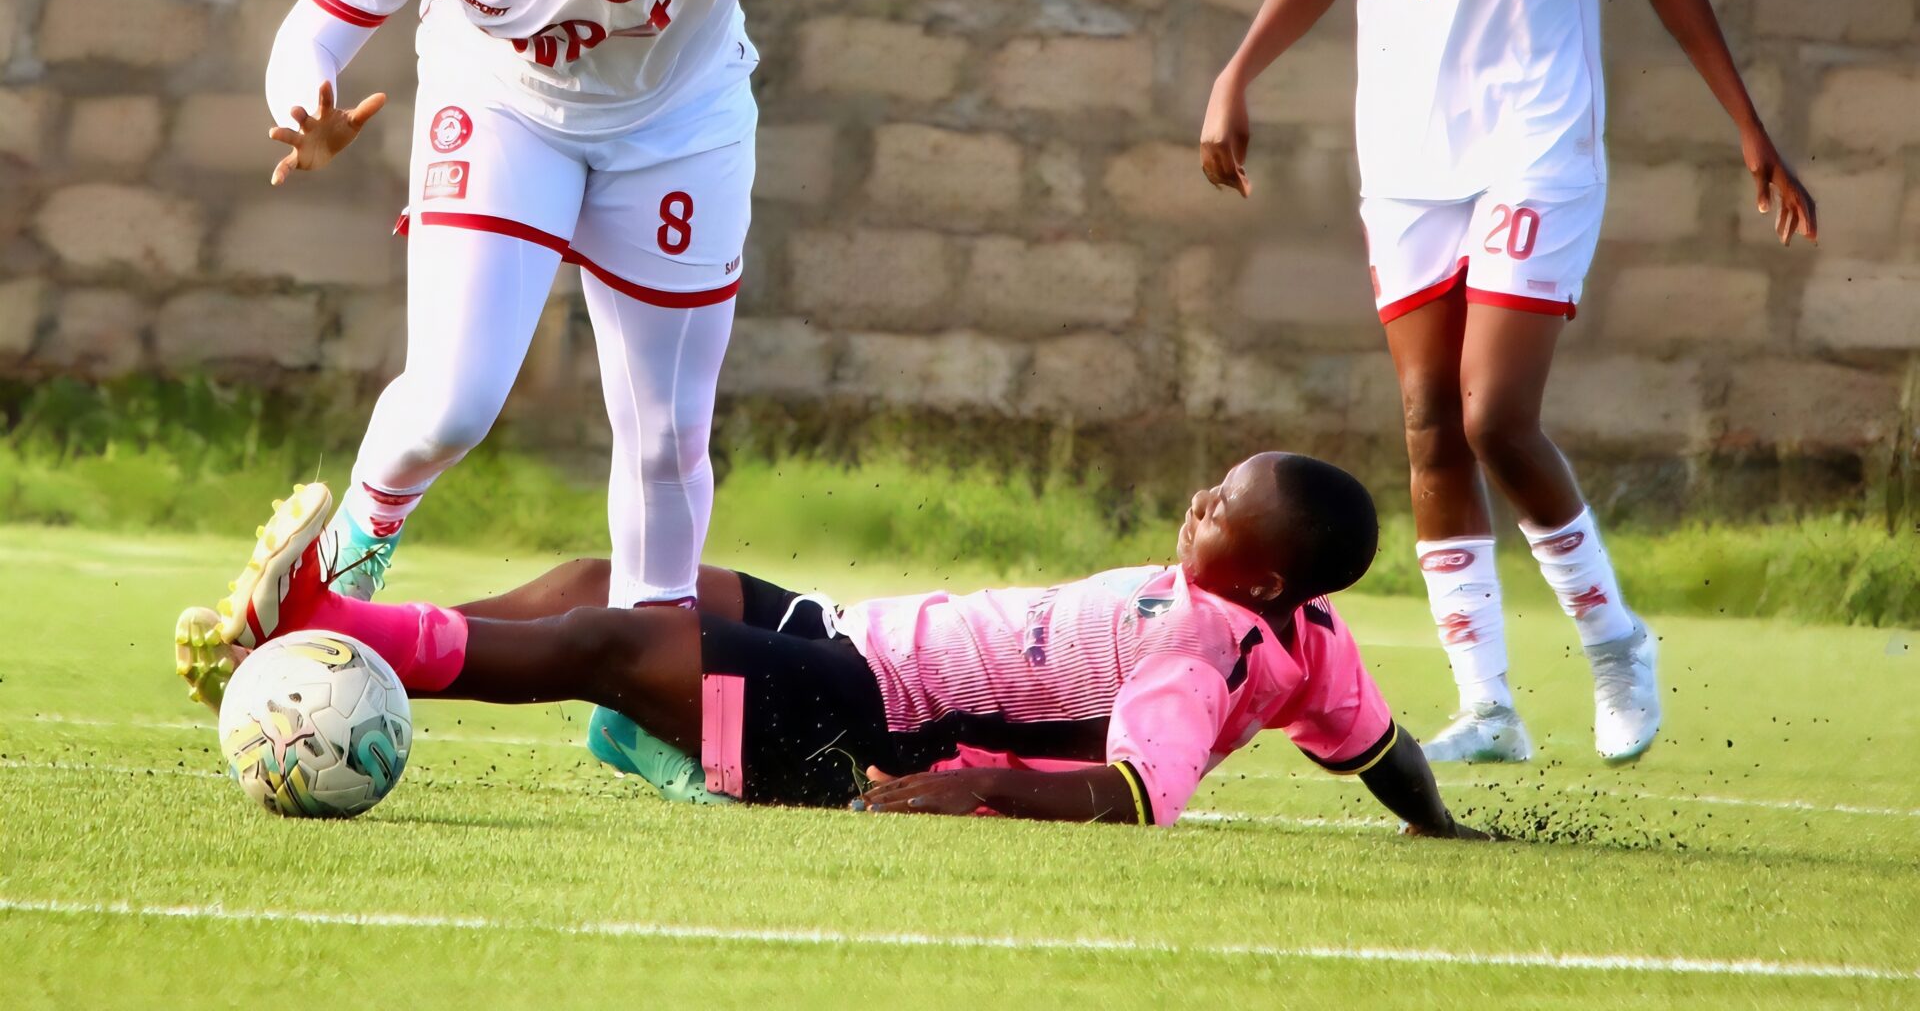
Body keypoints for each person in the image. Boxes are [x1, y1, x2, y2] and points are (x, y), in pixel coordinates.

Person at [1198, 0, 1815, 767]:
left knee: (1495, 416)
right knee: (1431, 423)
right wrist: (1237, 74)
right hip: (1405, 159)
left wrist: (1749, 128)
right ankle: (1487, 706)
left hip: (1536, 146)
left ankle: (1614, 640)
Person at [262, 0, 812, 619]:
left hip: (678, 130)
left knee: (666, 435)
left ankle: (651, 656)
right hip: (501, 108)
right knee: (450, 406)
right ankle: (354, 551)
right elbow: (314, 30)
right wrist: (303, 107)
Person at [175, 454, 1477, 835]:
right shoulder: (1313, 634)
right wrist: (1443, 827)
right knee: (610, 578)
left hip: (872, 720)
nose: (1195, 501)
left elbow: (1142, 793)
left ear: (1260, 572)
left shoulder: (1204, 648)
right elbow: (1385, 751)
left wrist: (976, 785)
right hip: (857, 640)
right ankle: (327, 628)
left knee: (610, 643)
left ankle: (330, 628)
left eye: (1219, 506)